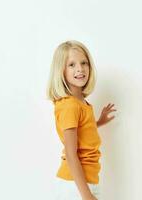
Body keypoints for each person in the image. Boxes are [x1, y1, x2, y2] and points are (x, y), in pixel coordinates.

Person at [47, 40, 117, 200]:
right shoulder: (70, 105)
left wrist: (99, 121)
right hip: (76, 185)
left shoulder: (80, 102)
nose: (80, 68)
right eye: (71, 65)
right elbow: (72, 154)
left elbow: (82, 132)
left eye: (84, 63)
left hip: (83, 182)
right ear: (61, 71)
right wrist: (87, 195)